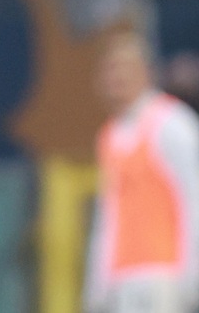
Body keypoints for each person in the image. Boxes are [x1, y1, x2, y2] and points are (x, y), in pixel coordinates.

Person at [83, 32, 199, 313]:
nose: (117, 79)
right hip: (123, 277)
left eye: (124, 68)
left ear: (146, 71)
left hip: (164, 273)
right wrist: (97, 286)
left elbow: (193, 199)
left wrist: (191, 277)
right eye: (110, 70)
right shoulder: (109, 135)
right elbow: (109, 216)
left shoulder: (172, 123)